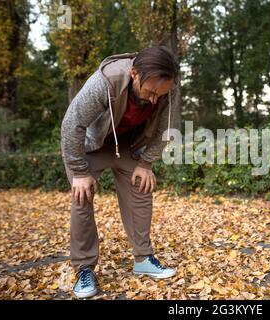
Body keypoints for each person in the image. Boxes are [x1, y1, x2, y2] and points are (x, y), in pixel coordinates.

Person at [60, 45, 180, 299]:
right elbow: (72, 123)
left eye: (160, 94)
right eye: (150, 92)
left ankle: (143, 259)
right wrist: (79, 171)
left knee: (142, 186)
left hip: (125, 144)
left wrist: (146, 163)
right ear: (135, 74)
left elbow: (163, 130)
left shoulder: (163, 89)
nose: (154, 99)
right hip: (91, 145)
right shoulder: (106, 80)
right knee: (82, 196)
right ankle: (84, 268)